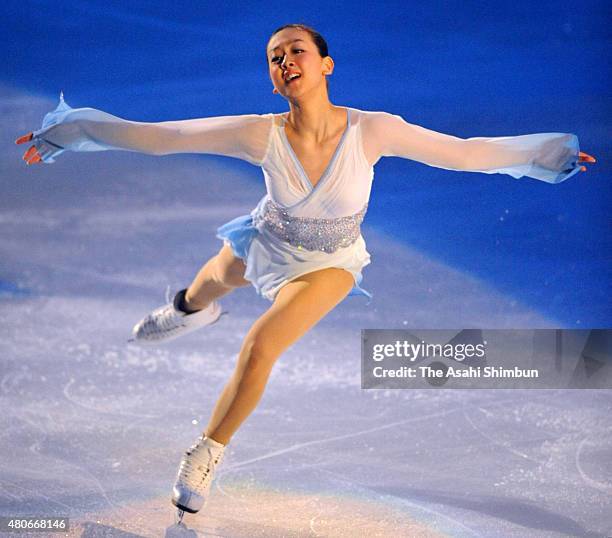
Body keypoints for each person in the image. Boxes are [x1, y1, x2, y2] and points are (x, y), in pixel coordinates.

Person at [16, 23, 596, 522]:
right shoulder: (258, 133)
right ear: (272, 78)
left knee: (260, 343)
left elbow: (466, 153)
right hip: (266, 238)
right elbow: (159, 139)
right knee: (205, 288)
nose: (286, 61)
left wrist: (548, 154)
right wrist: (69, 131)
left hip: (330, 264)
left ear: (325, 65)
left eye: (295, 50)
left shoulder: (374, 130)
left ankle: (207, 451)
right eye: (275, 57)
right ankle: (185, 311)